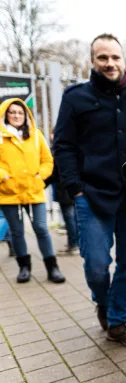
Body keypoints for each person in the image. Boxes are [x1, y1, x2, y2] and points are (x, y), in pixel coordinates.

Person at [54, 33, 126, 347]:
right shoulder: (75, 97)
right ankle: (103, 302)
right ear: (92, 61)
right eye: (103, 58)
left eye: (115, 57)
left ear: (123, 60)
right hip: (91, 195)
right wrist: (76, 188)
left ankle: (117, 322)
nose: (110, 63)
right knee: (96, 265)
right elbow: (64, 145)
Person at [0, 98, 65, 284]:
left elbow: (47, 160)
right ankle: (24, 268)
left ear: (26, 115)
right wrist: (3, 176)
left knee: (41, 228)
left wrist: (40, 176)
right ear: (6, 114)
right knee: (17, 231)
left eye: (20, 112)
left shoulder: (36, 135)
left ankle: (52, 267)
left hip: (34, 190)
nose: (16, 116)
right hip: (7, 192)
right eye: (12, 112)